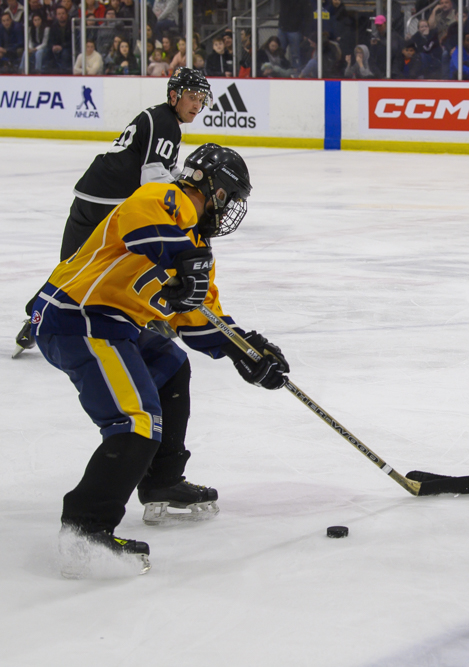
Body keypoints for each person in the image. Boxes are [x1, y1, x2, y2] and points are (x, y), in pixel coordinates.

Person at [30, 143, 287, 578]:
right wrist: (186, 259)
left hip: (116, 324)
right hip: (76, 317)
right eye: (230, 197)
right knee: (136, 421)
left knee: (170, 364)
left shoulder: (196, 245)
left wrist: (246, 350)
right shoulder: (167, 199)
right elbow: (141, 225)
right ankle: (85, 531)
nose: (229, 211)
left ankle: (162, 481)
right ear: (215, 190)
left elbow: (201, 321)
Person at [15, 69, 213, 355]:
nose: (197, 104)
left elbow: (165, 170)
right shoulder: (166, 123)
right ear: (174, 96)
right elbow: (153, 178)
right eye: (192, 97)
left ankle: (34, 320)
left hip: (89, 194)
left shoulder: (161, 117)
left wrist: (184, 179)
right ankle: (151, 316)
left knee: (73, 263)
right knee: (144, 250)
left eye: (201, 98)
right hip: (109, 201)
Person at [45, 5, 72, 73]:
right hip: (57, 47)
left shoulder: (72, 25)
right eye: (59, 14)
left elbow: (73, 41)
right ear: (56, 16)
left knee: (65, 53)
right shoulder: (53, 26)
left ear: (67, 14)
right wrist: (53, 46)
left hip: (68, 48)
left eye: (63, 13)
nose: (61, 16)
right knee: (46, 52)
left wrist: (62, 47)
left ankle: (64, 73)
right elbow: (50, 41)